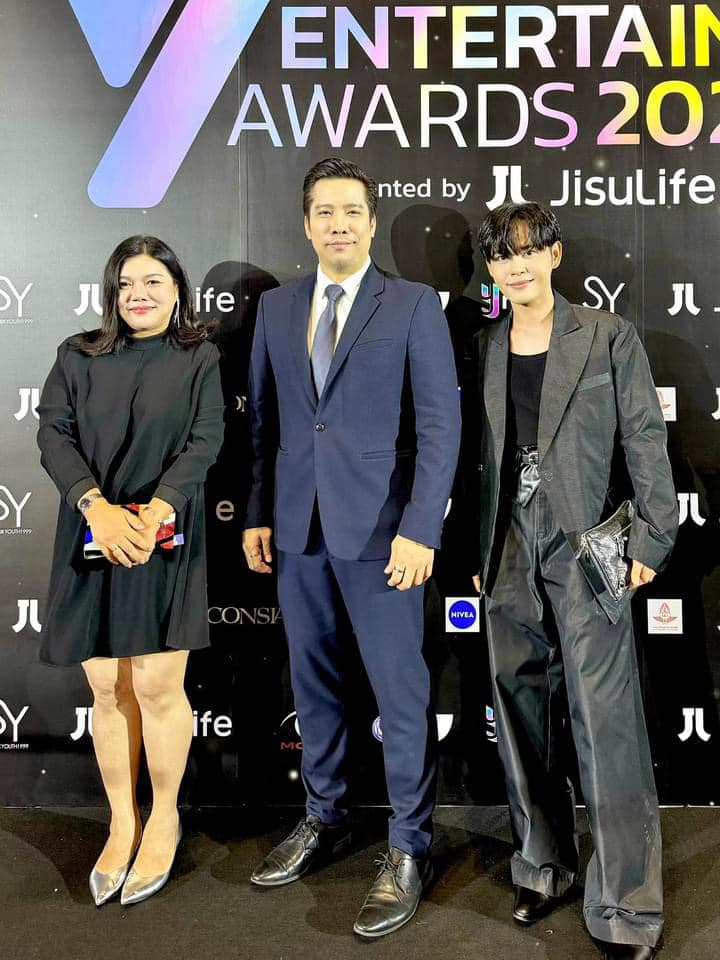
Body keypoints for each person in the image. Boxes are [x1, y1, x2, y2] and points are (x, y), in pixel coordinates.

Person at [243, 157, 460, 937]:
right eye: (324, 212)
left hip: (384, 535)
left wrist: (421, 527)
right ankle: (324, 815)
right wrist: (258, 513)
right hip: (298, 532)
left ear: (371, 222)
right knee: (314, 688)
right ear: (307, 225)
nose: (339, 224)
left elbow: (439, 425)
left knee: (401, 696)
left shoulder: (412, 305)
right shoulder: (276, 308)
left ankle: (408, 846)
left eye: (352, 212)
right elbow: (264, 422)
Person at [462, 202, 678, 960]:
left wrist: (654, 534)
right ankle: (542, 866)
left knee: (604, 718)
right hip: (506, 544)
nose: (516, 265)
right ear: (491, 268)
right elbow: (478, 455)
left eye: (529, 250)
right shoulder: (485, 344)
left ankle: (626, 904)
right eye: (502, 255)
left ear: (554, 255)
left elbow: (644, 434)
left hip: (586, 541)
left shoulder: (608, 334)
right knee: (518, 706)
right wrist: (479, 547)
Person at [37, 236, 224, 907]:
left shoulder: (199, 357)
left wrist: (154, 514)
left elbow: (206, 438)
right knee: (108, 686)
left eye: (152, 282)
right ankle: (123, 823)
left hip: (164, 537)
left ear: (177, 291)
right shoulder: (77, 354)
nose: (138, 295)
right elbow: (53, 433)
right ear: (111, 293)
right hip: (92, 534)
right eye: (125, 284)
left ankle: (164, 817)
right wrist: (98, 510)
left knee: (156, 684)